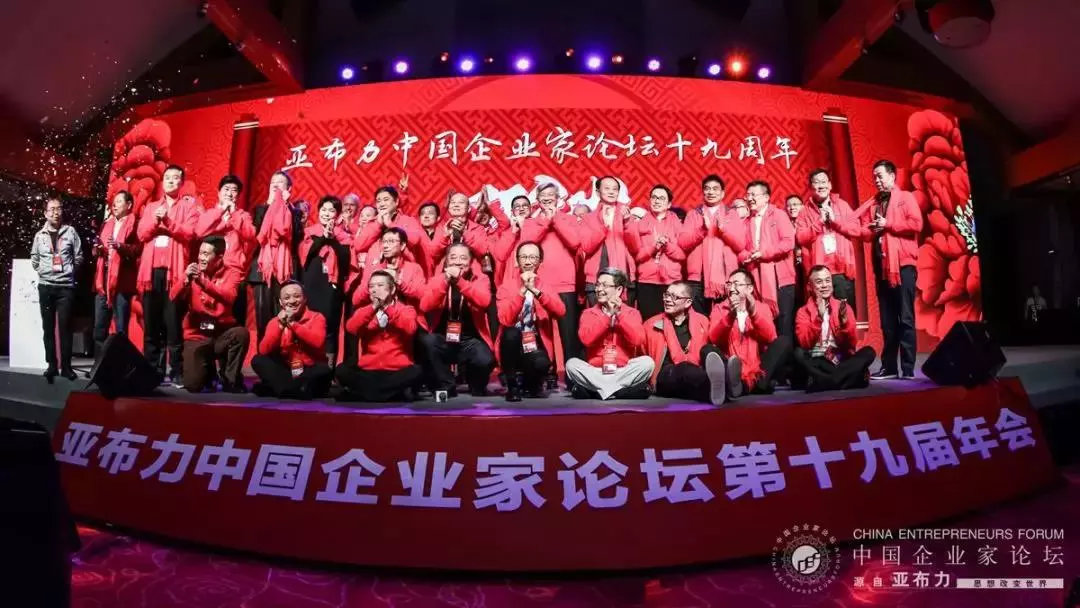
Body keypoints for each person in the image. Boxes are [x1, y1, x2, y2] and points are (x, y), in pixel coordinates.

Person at [495, 185, 582, 363]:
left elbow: (574, 242)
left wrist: (555, 219)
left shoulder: (569, 218)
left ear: (558, 198)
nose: (547, 198)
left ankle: (572, 372)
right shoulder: (531, 222)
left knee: (568, 334)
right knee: (544, 331)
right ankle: (548, 370)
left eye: (551, 194)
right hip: (539, 283)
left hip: (565, 282)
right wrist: (545, 222)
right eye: (543, 195)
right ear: (537, 200)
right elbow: (527, 244)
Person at [860, 159, 923, 379]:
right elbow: (865, 231)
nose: (876, 180)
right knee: (887, 321)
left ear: (892, 175)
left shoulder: (905, 197)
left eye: (880, 176)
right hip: (883, 268)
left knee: (905, 318)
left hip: (903, 266)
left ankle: (908, 368)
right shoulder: (875, 204)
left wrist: (888, 224)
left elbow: (916, 224)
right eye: (874, 177)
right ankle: (889, 367)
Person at [136, 164, 199, 384]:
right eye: (167, 178)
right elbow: (142, 234)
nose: (171, 181)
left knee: (173, 323)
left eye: (175, 178)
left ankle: (177, 371)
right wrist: (156, 221)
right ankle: (152, 370)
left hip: (175, 274)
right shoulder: (152, 207)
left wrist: (168, 222)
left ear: (182, 183)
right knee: (151, 323)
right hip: (151, 272)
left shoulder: (189, 207)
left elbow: (189, 233)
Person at [170, 237, 249, 393]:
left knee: (241, 334)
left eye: (206, 254)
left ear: (219, 257)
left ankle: (230, 379)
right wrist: (185, 279)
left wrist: (203, 283)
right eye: (200, 253)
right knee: (193, 385)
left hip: (221, 334)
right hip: (197, 335)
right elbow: (173, 297)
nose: (201, 258)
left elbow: (229, 297)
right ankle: (209, 372)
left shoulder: (232, 273)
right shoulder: (192, 272)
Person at [417, 243, 495, 396]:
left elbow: (484, 301)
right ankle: (447, 385)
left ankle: (476, 385)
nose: (458, 262)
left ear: (470, 262)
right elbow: (425, 306)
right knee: (428, 341)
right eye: (453, 257)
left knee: (484, 359)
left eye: (463, 258)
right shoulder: (437, 280)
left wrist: (460, 281)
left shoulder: (480, 279)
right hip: (444, 338)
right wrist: (445, 282)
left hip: (470, 340)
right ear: (446, 261)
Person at [566, 268, 654, 400]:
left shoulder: (632, 313)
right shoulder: (589, 313)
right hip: (596, 371)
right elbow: (586, 340)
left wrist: (619, 314)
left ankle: (598, 391)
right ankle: (619, 391)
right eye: (597, 285)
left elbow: (637, 340)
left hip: (622, 371)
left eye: (605, 285)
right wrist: (607, 316)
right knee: (571, 365)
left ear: (618, 290)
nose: (599, 289)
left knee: (647, 363)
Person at [336, 271, 423, 402]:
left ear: (392, 289)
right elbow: (351, 328)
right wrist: (373, 308)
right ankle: (391, 395)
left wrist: (387, 309)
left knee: (417, 371)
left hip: (396, 371)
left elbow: (410, 328)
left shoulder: (406, 309)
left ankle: (365, 394)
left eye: (380, 285)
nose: (375, 290)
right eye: (371, 286)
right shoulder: (364, 311)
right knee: (341, 370)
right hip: (369, 371)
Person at [496, 241, 566, 401]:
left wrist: (535, 291)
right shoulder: (506, 287)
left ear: (540, 262)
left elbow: (561, 311)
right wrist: (522, 291)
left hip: (534, 343)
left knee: (541, 364)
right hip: (511, 345)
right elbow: (505, 319)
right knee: (511, 333)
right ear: (517, 261)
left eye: (533, 257)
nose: (528, 262)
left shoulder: (545, 286)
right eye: (524, 257)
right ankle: (512, 386)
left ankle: (531, 384)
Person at [645, 280, 733, 405]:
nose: (668, 300)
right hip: (666, 376)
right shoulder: (651, 324)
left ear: (688, 302)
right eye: (667, 295)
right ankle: (726, 386)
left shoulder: (702, 321)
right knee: (684, 368)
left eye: (674, 297)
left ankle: (725, 382)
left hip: (695, 371)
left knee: (708, 350)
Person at [709, 269, 792, 398]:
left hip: (757, 368)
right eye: (729, 284)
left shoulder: (762, 308)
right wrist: (730, 317)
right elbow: (714, 338)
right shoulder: (719, 308)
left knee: (783, 342)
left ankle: (748, 385)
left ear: (749, 288)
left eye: (736, 284)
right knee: (707, 349)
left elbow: (771, 337)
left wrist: (753, 313)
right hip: (731, 366)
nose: (731, 288)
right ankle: (752, 385)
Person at [793, 266, 875, 392]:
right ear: (809, 286)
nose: (824, 285)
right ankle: (848, 379)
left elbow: (851, 344)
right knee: (798, 353)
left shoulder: (844, 308)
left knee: (869, 352)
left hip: (838, 361)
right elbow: (805, 344)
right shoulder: (803, 312)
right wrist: (819, 318)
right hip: (816, 361)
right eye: (819, 282)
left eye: (827, 281)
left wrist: (844, 324)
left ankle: (825, 382)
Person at [32, 196, 83, 382]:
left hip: (65, 288)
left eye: (59, 208)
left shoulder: (71, 232)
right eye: (52, 209)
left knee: (65, 328)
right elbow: (34, 259)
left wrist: (68, 272)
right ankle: (52, 365)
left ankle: (67, 367)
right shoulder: (39, 235)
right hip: (46, 287)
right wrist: (44, 272)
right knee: (48, 328)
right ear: (45, 213)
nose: (56, 212)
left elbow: (79, 256)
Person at [252, 282, 333, 399]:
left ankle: (282, 389)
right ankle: (297, 390)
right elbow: (264, 350)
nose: (292, 301)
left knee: (324, 371)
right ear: (281, 302)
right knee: (258, 360)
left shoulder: (317, 317)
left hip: (309, 368)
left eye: (297, 296)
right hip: (288, 370)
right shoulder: (274, 322)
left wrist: (293, 324)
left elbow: (318, 342)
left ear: (304, 299)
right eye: (287, 298)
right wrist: (280, 326)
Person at [678, 175, 745, 315]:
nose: (711, 192)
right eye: (707, 189)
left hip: (726, 277)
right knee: (698, 319)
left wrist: (723, 231)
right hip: (698, 277)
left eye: (715, 189)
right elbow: (683, 243)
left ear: (722, 193)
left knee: (724, 318)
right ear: (703, 192)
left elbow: (740, 245)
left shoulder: (731, 214)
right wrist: (702, 230)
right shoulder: (693, 214)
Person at [739, 180, 796, 340]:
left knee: (784, 325)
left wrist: (764, 253)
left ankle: (785, 356)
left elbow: (788, 242)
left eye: (753, 195)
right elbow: (740, 249)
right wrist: (747, 256)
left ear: (766, 197)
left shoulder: (779, 215)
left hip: (781, 278)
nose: (750, 198)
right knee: (763, 323)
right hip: (756, 278)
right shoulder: (747, 221)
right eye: (747, 195)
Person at [796, 169, 860, 311]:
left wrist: (835, 221)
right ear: (810, 187)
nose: (821, 186)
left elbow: (856, 229)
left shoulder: (842, 205)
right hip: (819, 272)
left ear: (830, 185)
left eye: (824, 182)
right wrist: (818, 223)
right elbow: (800, 237)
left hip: (842, 270)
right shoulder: (804, 212)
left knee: (844, 314)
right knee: (822, 315)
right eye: (816, 182)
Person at [195, 175, 256, 325]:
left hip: (233, 271)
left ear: (238, 195)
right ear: (219, 193)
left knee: (233, 316)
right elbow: (200, 232)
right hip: (211, 270)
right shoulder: (210, 214)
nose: (229, 193)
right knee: (208, 314)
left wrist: (234, 215)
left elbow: (250, 235)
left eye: (234, 190)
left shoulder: (243, 216)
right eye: (226, 189)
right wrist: (221, 212)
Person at [299, 195, 351, 367]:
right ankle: (307, 367)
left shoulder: (344, 236)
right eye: (323, 209)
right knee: (307, 324)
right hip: (311, 284)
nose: (326, 213)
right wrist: (324, 237)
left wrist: (332, 239)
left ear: (337, 215)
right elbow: (306, 256)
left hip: (332, 287)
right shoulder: (309, 232)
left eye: (331, 210)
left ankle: (328, 371)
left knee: (330, 328)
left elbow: (345, 260)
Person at [249, 171, 301, 341]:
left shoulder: (295, 212)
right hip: (262, 270)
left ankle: (283, 352)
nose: (275, 185)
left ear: (289, 188)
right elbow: (257, 234)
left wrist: (285, 206)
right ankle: (263, 353)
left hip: (285, 269)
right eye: (273, 182)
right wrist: (269, 205)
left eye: (280, 182)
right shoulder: (260, 209)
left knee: (284, 314)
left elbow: (296, 238)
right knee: (263, 316)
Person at [92, 191, 140, 360]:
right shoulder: (107, 224)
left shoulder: (134, 224)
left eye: (119, 201)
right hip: (103, 279)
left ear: (129, 205)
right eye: (114, 201)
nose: (115, 204)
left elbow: (137, 250)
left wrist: (120, 246)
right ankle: (99, 364)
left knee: (120, 327)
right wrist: (98, 249)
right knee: (99, 327)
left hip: (121, 280)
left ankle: (121, 364)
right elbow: (98, 246)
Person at [628, 184, 685, 321]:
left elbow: (682, 255)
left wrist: (667, 246)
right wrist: (654, 246)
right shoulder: (640, 224)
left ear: (669, 204)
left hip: (671, 281)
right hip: (647, 281)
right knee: (649, 321)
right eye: (654, 197)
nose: (657, 201)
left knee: (670, 322)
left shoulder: (677, 224)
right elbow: (637, 256)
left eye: (661, 198)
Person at [580, 176, 638, 306]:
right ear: (597, 192)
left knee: (624, 316)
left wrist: (627, 222)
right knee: (597, 316)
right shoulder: (589, 218)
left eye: (615, 189)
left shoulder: (627, 214)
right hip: (596, 278)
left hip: (624, 276)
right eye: (607, 188)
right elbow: (587, 247)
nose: (611, 192)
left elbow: (635, 247)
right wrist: (603, 227)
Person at [352, 185, 425, 272]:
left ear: (396, 202)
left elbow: (415, 240)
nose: (382, 204)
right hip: (374, 274)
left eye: (386, 199)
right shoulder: (372, 223)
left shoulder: (408, 220)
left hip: (400, 273)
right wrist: (378, 224)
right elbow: (358, 246)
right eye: (378, 201)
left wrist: (390, 224)